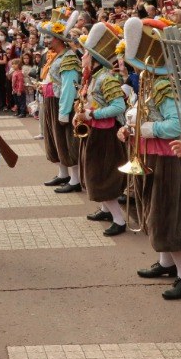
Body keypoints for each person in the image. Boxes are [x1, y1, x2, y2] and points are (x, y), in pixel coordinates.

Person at [117, 19, 181, 299]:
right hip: (151, 153)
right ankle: (166, 263)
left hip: (167, 158)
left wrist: (144, 129)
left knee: (167, 215)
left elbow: (178, 126)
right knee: (154, 211)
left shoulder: (163, 86)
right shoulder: (152, 82)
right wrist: (128, 128)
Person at [76, 23, 129, 236]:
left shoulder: (106, 78)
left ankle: (119, 219)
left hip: (105, 135)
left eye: (86, 55)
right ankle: (106, 210)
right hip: (95, 132)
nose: (82, 58)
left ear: (95, 58)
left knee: (101, 176)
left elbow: (119, 106)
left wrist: (91, 114)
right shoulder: (95, 76)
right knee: (94, 173)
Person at [40, 12, 83, 194]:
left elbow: (68, 87)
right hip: (51, 101)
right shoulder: (56, 56)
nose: (46, 41)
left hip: (60, 103)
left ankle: (75, 179)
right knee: (54, 139)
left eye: (49, 37)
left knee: (67, 141)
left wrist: (64, 111)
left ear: (58, 39)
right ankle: (63, 173)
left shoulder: (69, 58)